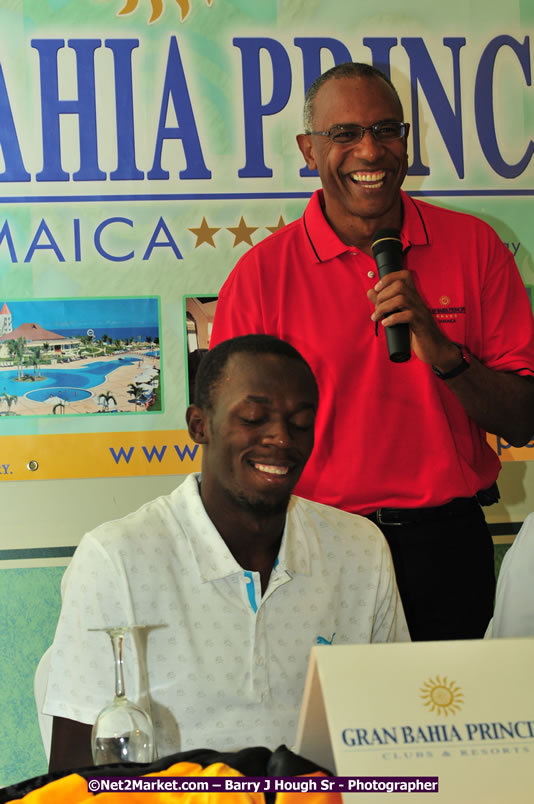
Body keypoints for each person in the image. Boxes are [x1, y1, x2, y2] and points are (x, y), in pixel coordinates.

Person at [210, 63, 534, 642]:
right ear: (309, 150)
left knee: (452, 726)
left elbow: (526, 417)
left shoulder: (476, 246)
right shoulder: (261, 275)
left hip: (447, 546)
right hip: (316, 547)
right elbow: (231, 441)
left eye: (387, 130)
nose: (370, 150)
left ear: (406, 142)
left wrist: (443, 352)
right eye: (345, 134)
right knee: (322, 732)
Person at [44, 334, 408, 772]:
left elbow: (392, 734)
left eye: (300, 422)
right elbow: (71, 779)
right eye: (254, 418)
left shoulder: (359, 551)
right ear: (199, 425)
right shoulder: (116, 559)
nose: (280, 438)